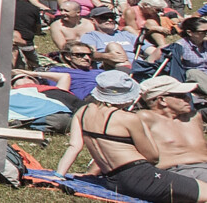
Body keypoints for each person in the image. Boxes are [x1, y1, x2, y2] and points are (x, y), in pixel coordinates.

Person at [57, 71, 202, 201]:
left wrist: (58, 175)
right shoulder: (132, 118)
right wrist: (92, 173)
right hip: (143, 175)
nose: (188, 99)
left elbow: (76, 146)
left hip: (116, 179)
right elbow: (152, 156)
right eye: (181, 96)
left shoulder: (83, 112)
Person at [138, 76, 207, 182]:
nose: (188, 99)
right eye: (181, 96)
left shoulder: (193, 117)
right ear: (162, 100)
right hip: (176, 172)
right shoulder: (145, 118)